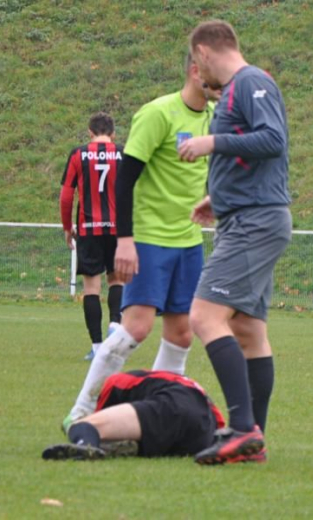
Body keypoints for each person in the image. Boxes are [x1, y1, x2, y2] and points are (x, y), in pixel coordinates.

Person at [61, 54, 218, 431]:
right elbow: (124, 180)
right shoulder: (157, 113)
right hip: (149, 238)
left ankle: (157, 415)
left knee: (182, 332)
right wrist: (125, 240)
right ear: (197, 71)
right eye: (218, 72)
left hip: (189, 240)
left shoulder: (215, 118)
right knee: (136, 327)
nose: (225, 80)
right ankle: (80, 412)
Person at [178, 20, 292, 464]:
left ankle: (242, 428)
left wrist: (211, 141)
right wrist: (219, 196)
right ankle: (252, 439)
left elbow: (272, 140)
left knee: (204, 317)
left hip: (254, 222)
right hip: (248, 215)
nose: (196, 73)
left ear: (204, 53)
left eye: (194, 62)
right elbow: (253, 150)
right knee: (246, 330)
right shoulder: (240, 89)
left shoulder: (250, 82)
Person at [43, 369, 226, 461]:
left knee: (84, 426)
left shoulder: (116, 380)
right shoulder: (172, 380)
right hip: (203, 432)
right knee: (156, 432)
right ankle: (130, 446)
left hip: (172, 408)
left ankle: (86, 445)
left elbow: (107, 407)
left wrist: (82, 421)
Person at [60, 112, 124, 361]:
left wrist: (67, 227)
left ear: (89, 132)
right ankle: (115, 326)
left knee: (91, 289)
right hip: (118, 229)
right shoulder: (123, 153)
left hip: (88, 229)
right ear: (113, 133)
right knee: (117, 281)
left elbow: (67, 196)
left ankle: (97, 346)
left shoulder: (78, 154)